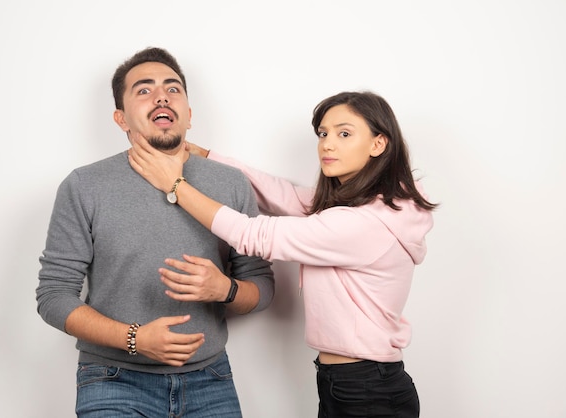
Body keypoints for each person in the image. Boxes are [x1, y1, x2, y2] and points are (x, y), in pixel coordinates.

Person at [127, 90, 437, 418]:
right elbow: (283, 195)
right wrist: (203, 154)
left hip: (366, 390)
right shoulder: (371, 207)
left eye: (344, 134)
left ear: (378, 144)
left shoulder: (363, 223)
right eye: (323, 133)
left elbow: (253, 235)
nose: (328, 144)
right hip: (353, 382)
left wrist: (175, 185)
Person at [35, 47, 275, 417]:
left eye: (173, 88)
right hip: (112, 379)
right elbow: (53, 296)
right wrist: (134, 339)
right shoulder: (84, 185)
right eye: (144, 90)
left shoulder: (230, 184)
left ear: (189, 115)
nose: (162, 96)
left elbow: (262, 287)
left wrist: (224, 289)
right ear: (121, 118)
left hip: (210, 378)